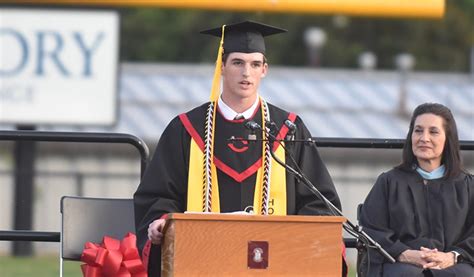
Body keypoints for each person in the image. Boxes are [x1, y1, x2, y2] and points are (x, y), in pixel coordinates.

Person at [133, 20, 342, 276]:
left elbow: (320, 202)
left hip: (276, 263)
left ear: (264, 69)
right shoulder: (187, 129)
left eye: (255, 64)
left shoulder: (287, 130)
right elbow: (158, 195)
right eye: (238, 62)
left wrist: (297, 235)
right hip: (202, 261)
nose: (246, 73)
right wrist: (161, 221)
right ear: (221, 67)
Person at [359, 103, 474, 276]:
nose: (424, 138)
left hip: (454, 264)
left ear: (447, 139)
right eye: (418, 130)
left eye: (433, 132)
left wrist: (451, 256)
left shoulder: (467, 186)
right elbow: (372, 230)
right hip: (399, 263)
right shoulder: (389, 182)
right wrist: (404, 253)